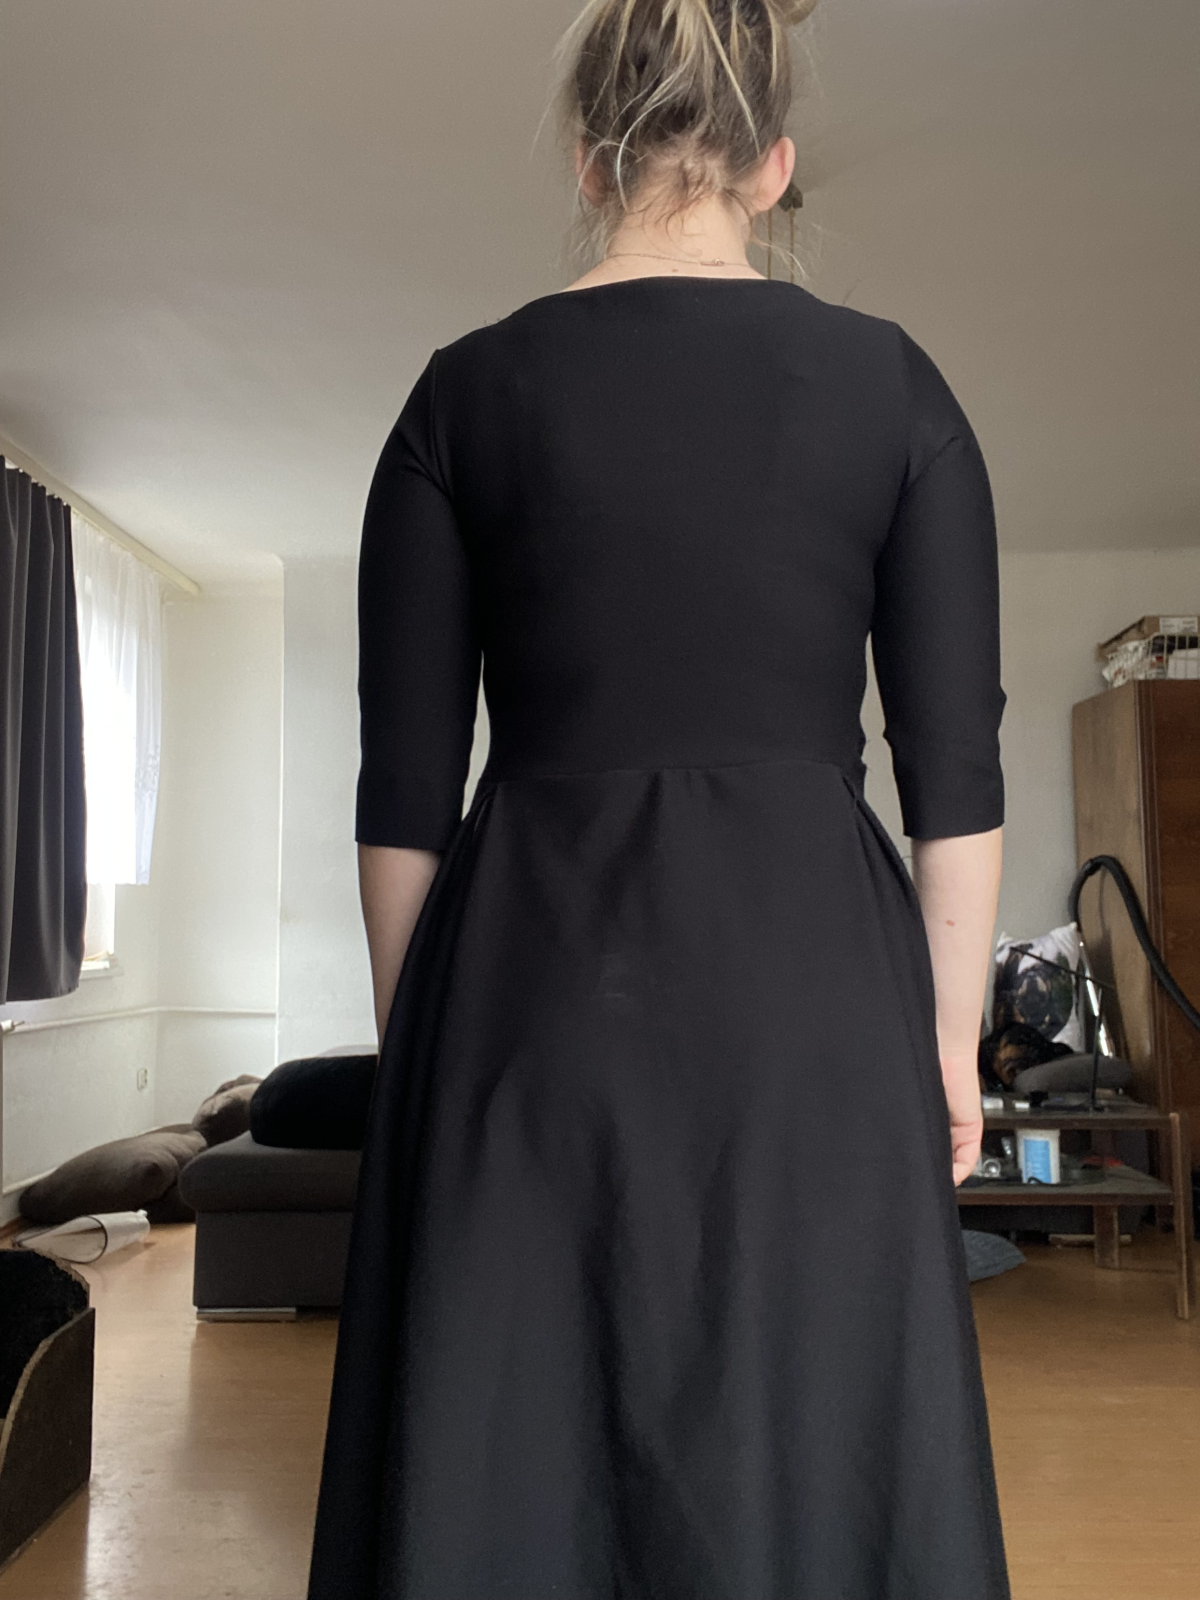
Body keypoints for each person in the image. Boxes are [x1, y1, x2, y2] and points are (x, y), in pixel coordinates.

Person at [307, 0, 1010, 1595]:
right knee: (810, 1450)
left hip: (526, 995)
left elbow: (405, 790)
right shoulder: (896, 389)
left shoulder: (459, 396)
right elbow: (954, 779)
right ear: (774, 166)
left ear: (585, 158)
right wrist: (950, 1041)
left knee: (515, 1465)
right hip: (814, 1004)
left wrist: (424, 1057)